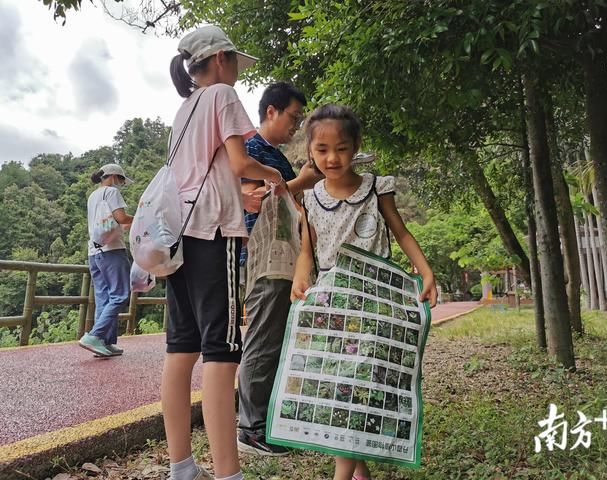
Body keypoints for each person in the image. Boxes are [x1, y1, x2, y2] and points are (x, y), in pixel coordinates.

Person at [290, 104, 438, 480]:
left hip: (376, 305)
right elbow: (308, 249)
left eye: (341, 148)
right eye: (321, 149)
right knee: (343, 386)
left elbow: (401, 232)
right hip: (332, 306)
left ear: (356, 146)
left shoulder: (376, 187)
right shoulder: (309, 198)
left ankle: (343, 474)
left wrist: (425, 272)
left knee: (357, 385)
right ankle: (360, 472)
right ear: (310, 151)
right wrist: (300, 278)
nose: (331, 157)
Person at [163, 25, 286, 480]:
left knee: (181, 349)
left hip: (179, 236)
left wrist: (242, 196)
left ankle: (182, 466)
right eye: (235, 61)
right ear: (219, 59)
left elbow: (207, 174)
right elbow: (240, 163)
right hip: (214, 235)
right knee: (221, 351)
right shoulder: (221, 96)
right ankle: (228, 474)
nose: (237, 70)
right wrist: (273, 176)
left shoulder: (184, 111)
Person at [237, 82, 323, 456]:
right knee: (263, 340)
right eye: (293, 116)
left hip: (286, 257)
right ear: (271, 111)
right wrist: (301, 181)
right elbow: (256, 201)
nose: (295, 125)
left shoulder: (272, 155)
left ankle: (267, 421)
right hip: (263, 258)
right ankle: (251, 428)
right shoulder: (250, 150)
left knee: (278, 342)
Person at [79, 163, 133, 358]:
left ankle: (105, 341)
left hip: (94, 252)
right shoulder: (111, 192)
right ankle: (95, 336)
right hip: (112, 250)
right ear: (112, 177)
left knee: (104, 297)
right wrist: (141, 218)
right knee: (120, 294)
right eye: (120, 180)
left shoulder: (93, 195)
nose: (120, 184)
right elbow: (121, 217)